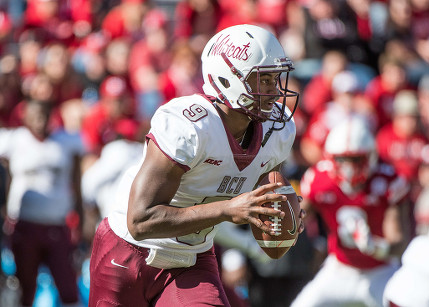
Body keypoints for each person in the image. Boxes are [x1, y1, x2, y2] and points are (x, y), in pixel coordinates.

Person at [88, 24, 304, 306]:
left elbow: (265, 183)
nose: (275, 92)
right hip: (128, 251)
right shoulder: (189, 125)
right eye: (264, 80)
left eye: (277, 79)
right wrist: (227, 209)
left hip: (192, 257)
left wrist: (280, 209)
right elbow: (141, 220)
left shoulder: (278, 130)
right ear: (229, 79)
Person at [291, 116, 411, 307]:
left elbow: (398, 242)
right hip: (340, 269)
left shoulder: (387, 181)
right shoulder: (320, 179)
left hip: (381, 272)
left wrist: (376, 248)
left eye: (355, 159)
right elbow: (297, 218)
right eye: (342, 159)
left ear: (370, 156)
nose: (348, 169)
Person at [0, 99, 86, 307]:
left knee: (67, 284)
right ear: (25, 117)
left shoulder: (66, 142)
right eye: (36, 116)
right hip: (24, 223)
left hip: (57, 223)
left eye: (45, 115)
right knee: (24, 285)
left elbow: (76, 182)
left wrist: (81, 218)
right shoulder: (14, 140)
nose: (41, 121)